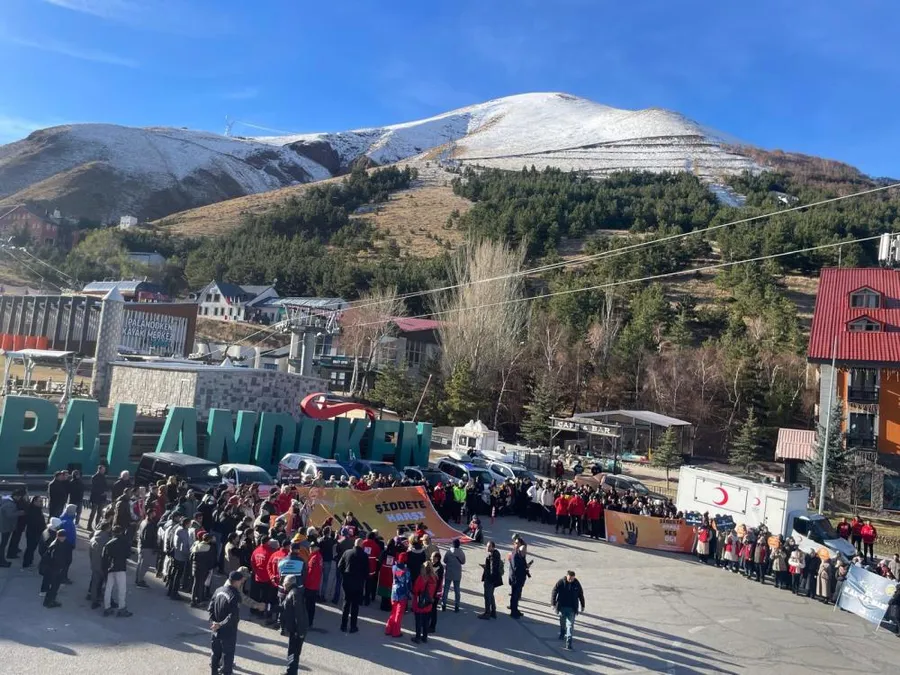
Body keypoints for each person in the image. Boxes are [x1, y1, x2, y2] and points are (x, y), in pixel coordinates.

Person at [208, 570, 248, 675]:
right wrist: (220, 624)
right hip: (228, 630)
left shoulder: (218, 590)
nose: (241, 583)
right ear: (236, 581)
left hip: (215, 628)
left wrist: (214, 623)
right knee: (228, 655)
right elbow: (232, 616)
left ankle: (213, 672)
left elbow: (210, 608)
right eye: (241, 581)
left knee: (215, 653)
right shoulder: (235, 595)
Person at [337, 537, 369, 633]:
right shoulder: (364, 555)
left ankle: (343, 625)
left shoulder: (347, 552)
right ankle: (353, 626)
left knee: (346, 604)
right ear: (361, 545)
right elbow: (366, 571)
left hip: (347, 582)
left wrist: (345, 575)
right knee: (355, 605)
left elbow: (340, 566)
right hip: (358, 583)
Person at [280, 574, 310, 675]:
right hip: (295, 629)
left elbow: (299, 614)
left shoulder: (295, 594)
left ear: (288, 583)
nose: (283, 584)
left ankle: (292, 673)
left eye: (284, 582)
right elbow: (282, 607)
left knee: (294, 653)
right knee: (292, 652)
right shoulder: (292, 593)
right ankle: (290, 671)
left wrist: (300, 632)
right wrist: (268, 607)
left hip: (297, 630)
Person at [102, 526, 133, 617]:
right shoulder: (125, 542)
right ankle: (121, 608)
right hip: (120, 567)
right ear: (121, 532)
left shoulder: (108, 544)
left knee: (108, 589)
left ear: (113, 533)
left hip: (110, 568)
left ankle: (107, 607)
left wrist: (105, 568)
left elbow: (104, 558)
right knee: (122, 589)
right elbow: (128, 555)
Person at [551, 570, 585, 651]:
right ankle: (562, 632)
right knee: (562, 622)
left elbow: (580, 594)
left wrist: (583, 605)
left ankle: (568, 642)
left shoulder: (576, 584)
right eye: (569, 578)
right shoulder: (561, 582)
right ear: (566, 576)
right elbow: (554, 591)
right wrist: (553, 603)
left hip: (572, 608)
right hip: (562, 607)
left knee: (570, 625)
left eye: (572, 579)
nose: (570, 580)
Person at [39, 528, 71, 608]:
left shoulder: (62, 544)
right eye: (61, 536)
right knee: (53, 587)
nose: (62, 538)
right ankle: (49, 602)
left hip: (58, 569)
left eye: (63, 536)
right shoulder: (55, 546)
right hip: (54, 569)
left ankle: (50, 600)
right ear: (58, 536)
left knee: (55, 587)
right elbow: (52, 559)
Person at [411, 560, 438, 644]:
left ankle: (418, 637)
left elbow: (416, 590)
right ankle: (425, 637)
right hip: (429, 603)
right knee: (426, 621)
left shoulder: (421, 578)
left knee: (418, 620)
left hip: (420, 602)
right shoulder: (434, 578)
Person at [385, 552, 410, 638]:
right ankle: (396, 632)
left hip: (394, 592)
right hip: (402, 594)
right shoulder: (406, 570)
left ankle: (388, 628)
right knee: (399, 614)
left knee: (393, 611)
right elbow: (408, 583)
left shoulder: (394, 567)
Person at [88, 522, 112, 608]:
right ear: (107, 529)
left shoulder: (93, 538)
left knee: (95, 582)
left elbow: (90, 553)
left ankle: (93, 598)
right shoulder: (107, 540)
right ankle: (107, 601)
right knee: (107, 583)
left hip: (94, 563)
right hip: (103, 565)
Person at [190, 533, 217, 607]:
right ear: (209, 539)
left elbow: (191, 557)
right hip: (204, 568)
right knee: (201, 584)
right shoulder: (209, 547)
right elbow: (211, 560)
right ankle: (199, 600)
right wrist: (210, 568)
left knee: (195, 583)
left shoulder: (197, 545)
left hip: (195, 567)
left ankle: (193, 600)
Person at [167, 515, 190, 600]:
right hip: (181, 556)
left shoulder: (177, 529)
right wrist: (188, 554)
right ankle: (174, 593)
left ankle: (170, 591)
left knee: (173, 573)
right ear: (186, 524)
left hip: (175, 554)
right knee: (178, 575)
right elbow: (184, 546)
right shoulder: (183, 532)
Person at [441, 538, 466, 612]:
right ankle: (457, 606)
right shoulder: (461, 552)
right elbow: (463, 562)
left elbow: (445, 560)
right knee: (457, 590)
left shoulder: (449, 552)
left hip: (449, 572)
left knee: (446, 589)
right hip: (457, 573)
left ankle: (443, 605)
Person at [22, 495, 46, 568]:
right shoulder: (32, 511)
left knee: (32, 548)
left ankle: (29, 561)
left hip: (36, 532)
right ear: (34, 502)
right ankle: (26, 563)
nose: (41, 503)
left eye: (42, 501)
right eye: (40, 501)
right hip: (33, 533)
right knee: (30, 548)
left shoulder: (37, 509)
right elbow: (34, 522)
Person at [136, 512, 159, 587]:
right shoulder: (149, 524)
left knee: (140, 563)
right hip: (147, 547)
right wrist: (154, 547)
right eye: (153, 513)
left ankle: (138, 579)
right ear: (150, 514)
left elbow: (139, 533)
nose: (155, 514)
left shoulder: (143, 522)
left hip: (141, 545)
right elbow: (149, 537)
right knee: (144, 564)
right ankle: (140, 580)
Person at [0, 492, 22, 567]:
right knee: (3, 544)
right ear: (16, 496)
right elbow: (9, 515)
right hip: (6, 526)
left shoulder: (5, 500)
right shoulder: (10, 504)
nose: (19, 499)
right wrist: (20, 512)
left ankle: (2, 560)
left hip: (4, 525)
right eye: (19, 497)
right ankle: (1, 561)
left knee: (3, 544)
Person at [304, 541, 322, 627]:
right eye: (310, 547)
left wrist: (305, 583)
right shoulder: (317, 556)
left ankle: (307, 622)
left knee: (308, 605)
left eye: (312, 547)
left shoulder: (314, 558)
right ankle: (309, 622)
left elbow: (310, 573)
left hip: (310, 585)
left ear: (317, 548)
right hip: (314, 585)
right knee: (311, 605)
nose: (310, 548)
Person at [508, 544, 529, 619]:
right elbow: (516, 568)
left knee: (516, 597)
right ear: (520, 551)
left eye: (525, 552)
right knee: (514, 596)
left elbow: (523, 565)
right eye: (524, 552)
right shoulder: (515, 556)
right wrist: (524, 569)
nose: (525, 554)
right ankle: (513, 612)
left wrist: (526, 566)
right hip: (515, 580)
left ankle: (515, 610)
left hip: (520, 580)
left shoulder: (521, 556)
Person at [88, 464, 108, 531]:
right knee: (93, 513)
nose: (104, 471)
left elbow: (105, 486)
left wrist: (105, 491)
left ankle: (97, 525)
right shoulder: (95, 477)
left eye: (104, 470)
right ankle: (89, 526)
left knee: (99, 513)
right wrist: (101, 492)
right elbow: (94, 488)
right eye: (103, 470)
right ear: (99, 469)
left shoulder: (103, 477)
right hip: (95, 497)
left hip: (102, 498)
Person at [428, 551, 444, 634]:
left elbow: (438, 582)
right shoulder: (432, 565)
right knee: (429, 609)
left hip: (435, 592)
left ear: (437, 559)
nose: (431, 558)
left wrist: (433, 595)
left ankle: (432, 627)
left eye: (433, 557)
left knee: (433, 610)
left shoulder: (439, 568)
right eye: (431, 557)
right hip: (430, 591)